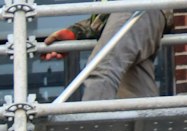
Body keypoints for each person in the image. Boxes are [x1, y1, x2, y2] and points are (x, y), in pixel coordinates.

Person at [43, 2, 171, 100]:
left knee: (103, 68)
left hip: (136, 9)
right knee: (134, 92)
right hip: (139, 11)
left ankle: (91, 130)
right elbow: (107, 14)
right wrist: (76, 32)